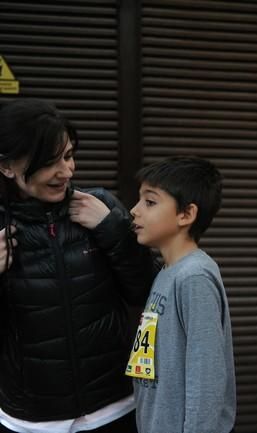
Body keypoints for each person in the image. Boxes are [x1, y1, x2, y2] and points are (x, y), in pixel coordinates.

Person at [0, 99, 157, 433]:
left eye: (68, 156)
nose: (66, 172)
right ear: (7, 166)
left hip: (115, 408)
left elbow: (146, 291)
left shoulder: (100, 207)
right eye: (49, 162)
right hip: (29, 421)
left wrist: (113, 230)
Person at [127, 156, 235, 433]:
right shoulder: (167, 272)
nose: (134, 210)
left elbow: (206, 376)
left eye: (149, 202)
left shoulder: (194, 277)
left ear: (186, 214)